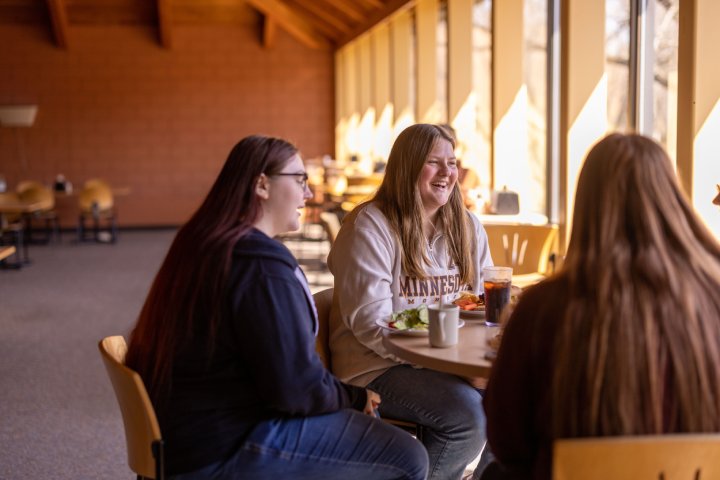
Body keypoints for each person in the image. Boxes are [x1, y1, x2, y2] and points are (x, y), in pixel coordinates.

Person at [125, 135, 429, 480]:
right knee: (407, 456)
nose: (309, 193)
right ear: (262, 185)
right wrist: (352, 397)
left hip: (185, 436)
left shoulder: (206, 241)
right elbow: (294, 389)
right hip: (221, 447)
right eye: (300, 180)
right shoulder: (260, 267)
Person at [482, 133, 720, 480]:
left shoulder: (542, 308)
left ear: (587, 206)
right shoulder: (712, 299)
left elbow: (507, 441)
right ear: (672, 201)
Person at [328, 123, 494, 480]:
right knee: (469, 418)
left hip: (444, 360)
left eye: (452, 162)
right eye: (434, 162)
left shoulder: (467, 226)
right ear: (407, 168)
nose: (447, 173)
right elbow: (372, 324)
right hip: (374, 364)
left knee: (519, 398)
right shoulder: (371, 226)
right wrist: (451, 364)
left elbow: (481, 302)